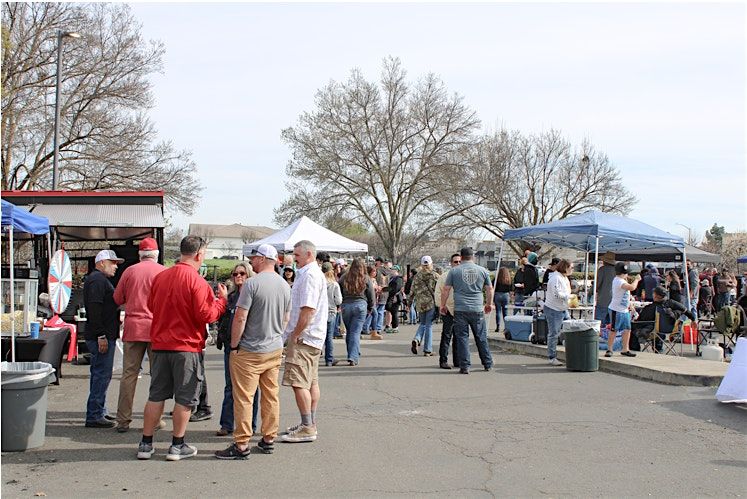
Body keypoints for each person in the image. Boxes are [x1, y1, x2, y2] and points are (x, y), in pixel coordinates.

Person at [136, 236, 227, 461]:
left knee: (156, 395)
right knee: (185, 398)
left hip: (160, 345)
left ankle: (146, 443)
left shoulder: (161, 277)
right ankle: (177, 444)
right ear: (199, 254)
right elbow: (206, 314)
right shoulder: (197, 282)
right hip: (186, 347)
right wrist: (221, 302)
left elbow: (151, 305)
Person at [214, 244, 290, 459]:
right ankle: (268, 438)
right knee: (270, 395)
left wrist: (235, 345)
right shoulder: (284, 285)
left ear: (264, 259)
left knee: (244, 397)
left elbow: (240, 316)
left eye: (255, 258)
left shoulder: (252, 284)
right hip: (273, 347)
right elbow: (286, 318)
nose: (252, 262)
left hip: (250, 349)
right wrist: (277, 338)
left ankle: (241, 444)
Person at [113, 238, 165, 433]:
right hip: (156, 329)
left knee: (129, 375)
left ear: (140, 254)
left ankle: (123, 419)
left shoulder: (129, 271)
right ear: (157, 254)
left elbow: (118, 298)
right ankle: (155, 419)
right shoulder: (163, 271)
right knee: (158, 376)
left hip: (133, 327)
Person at [281, 240, 328, 443]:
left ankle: (308, 426)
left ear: (308, 254)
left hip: (305, 338)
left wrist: (295, 334)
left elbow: (308, 310)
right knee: (310, 382)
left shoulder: (309, 275)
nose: (293, 259)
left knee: (299, 382)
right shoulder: (312, 273)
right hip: (313, 337)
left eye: (297, 255)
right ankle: (309, 422)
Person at [215, 262, 257, 437]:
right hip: (230, 347)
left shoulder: (254, 295)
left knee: (251, 388)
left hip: (248, 347)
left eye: (242, 273)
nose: (238, 276)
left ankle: (251, 425)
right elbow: (222, 318)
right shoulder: (231, 297)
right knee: (229, 386)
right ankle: (227, 424)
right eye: (235, 274)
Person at [83, 249, 124, 428]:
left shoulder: (99, 280)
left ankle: (100, 410)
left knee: (100, 374)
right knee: (101, 375)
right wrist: (101, 335)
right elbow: (94, 310)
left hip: (103, 334)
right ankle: (94, 414)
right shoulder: (97, 281)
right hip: (101, 335)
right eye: (112, 262)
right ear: (101, 263)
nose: (115, 266)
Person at [440, 247, 494, 374]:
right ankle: (487, 363)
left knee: (462, 337)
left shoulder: (454, 272)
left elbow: (446, 290)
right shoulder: (482, 271)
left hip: (460, 309)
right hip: (477, 308)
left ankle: (465, 366)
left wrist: (442, 305)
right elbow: (489, 289)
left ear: (461, 257)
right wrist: (489, 304)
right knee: (481, 337)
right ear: (473, 257)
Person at [335, 257, 375, 365]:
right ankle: (353, 356)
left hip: (346, 305)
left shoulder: (344, 277)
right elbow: (371, 294)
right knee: (355, 332)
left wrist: (339, 304)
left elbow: (338, 292)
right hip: (361, 305)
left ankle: (352, 353)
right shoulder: (366, 278)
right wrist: (371, 307)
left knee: (350, 331)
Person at [637, 286, 696, 353]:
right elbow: (685, 310)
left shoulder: (650, 308)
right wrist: (693, 319)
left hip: (654, 331)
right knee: (660, 325)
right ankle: (658, 349)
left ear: (656, 296)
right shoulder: (671, 303)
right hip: (671, 329)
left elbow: (641, 320)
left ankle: (635, 349)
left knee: (639, 327)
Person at [605, 262, 640, 358]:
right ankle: (609, 349)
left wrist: (631, 306)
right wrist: (637, 279)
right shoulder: (618, 281)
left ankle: (625, 349)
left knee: (627, 329)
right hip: (616, 309)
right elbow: (632, 287)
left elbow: (626, 296)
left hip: (624, 310)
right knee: (614, 329)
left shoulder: (621, 280)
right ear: (623, 273)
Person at [544, 259, 573, 366]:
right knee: (554, 333)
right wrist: (569, 297)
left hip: (562, 308)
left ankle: (567, 350)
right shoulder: (556, 278)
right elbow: (557, 294)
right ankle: (552, 357)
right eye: (571, 267)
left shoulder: (563, 277)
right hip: (553, 309)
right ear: (565, 267)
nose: (572, 270)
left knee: (570, 329)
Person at [435, 253, 461, 369]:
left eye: (460, 261)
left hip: (460, 310)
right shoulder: (444, 277)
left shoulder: (463, 277)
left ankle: (457, 360)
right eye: (456, 262)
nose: (458, 264)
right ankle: (443, 360)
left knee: (458, 337)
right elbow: (438, 293)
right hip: (447, 310)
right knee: (446, 336)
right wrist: (441, 306)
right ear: (451, 263)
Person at [410, 256, 439, 356]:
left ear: (422, 265)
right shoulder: (435, 275)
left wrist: (408, 304)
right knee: (429, 326)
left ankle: (417, 339)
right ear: (431, 263)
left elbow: (412, 291)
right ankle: (427, 350)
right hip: (431, 303)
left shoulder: (417, 276)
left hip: (420, 303)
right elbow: (440, 290)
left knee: (423, 324)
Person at [322, 262, 342, 366]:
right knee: (329, 337)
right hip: (330, 311)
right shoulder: (334, 284)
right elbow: (338, 300)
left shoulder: (319, 283)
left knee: (320, 335)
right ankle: (329, 359)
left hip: (320, 312)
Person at [594, 252, 617, 327]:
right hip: (614, 302)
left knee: (599, 325)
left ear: (605, 261)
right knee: (610, 326)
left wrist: (591, 292)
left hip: (602, 301)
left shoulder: (602, 270)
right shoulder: (617, 271)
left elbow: (597, 284)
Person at [384, 265, 404, 333]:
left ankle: (395, 327)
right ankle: (390, 325)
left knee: (394, 312)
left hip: (396, 297)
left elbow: (396, 289)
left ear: (396, 270)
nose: (391, 271)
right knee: (390, 311)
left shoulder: (398, 278)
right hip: (391, 296)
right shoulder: (392, 278)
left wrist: (393, 295)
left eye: (393, 269)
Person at [362, 265, 380, 335]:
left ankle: (365, 328)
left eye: (375, 271)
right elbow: (369, 290)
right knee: (374, 314)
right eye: (374, 271)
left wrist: (378, 289)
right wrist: (374, 288)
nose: (375, 273)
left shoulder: (374, 280)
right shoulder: (367, 279)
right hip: (368, 300)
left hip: (374, 299)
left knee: (368, 315)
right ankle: (373, 331)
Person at [493, 267, 512, 332]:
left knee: (498, 311)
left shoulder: (497, 278)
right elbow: (511, 288)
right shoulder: (508, 279)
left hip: (497, 294)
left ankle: (498, 326)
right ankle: (506, 327)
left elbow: (492, 285)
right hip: (506, 295)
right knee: (505, 312)